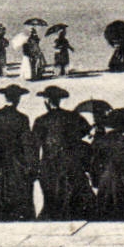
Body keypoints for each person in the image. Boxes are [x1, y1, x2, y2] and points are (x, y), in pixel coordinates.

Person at [33, 85, 93, 220]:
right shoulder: (72, 116)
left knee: (52, 202)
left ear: (47, 101)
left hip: (49, 165)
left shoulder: (41, 120)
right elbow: (86, 131)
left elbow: (35, 144)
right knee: (74, 200)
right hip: (71, 163)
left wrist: (35, 167)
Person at [0, 84, 37, 221]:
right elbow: (27, 145)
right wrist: (31, 167)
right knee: (19, 197)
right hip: (17, 162)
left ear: (6, 98)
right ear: (18, 99)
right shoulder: (22, 118)